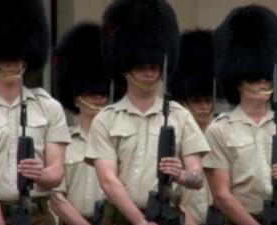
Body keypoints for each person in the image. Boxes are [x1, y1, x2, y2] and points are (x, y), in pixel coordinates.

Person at [84, 0, 211, 225]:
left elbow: (198, 177)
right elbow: (107, 180)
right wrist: (139, 221)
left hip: (166, 215)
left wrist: (181, 175)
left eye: (154, 66)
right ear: (126, 69)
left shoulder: (180, 116)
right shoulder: (107, 119)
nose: (150, 73)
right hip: (119, 218)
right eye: (141, 67)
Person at [202, 5, 277, 225]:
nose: (263, 81)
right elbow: (222, 196)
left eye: (266, 76)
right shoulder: (220, 129)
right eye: (255, 76)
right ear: (239, 78)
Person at [0, 0, 71, 224]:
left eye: (17, 55)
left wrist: (40, 175)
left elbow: (57, 172)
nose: (12, 62)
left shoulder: (49, 107)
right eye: (5, 56)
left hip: (38, 214)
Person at [49, 23, 110, 225]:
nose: (99, 100)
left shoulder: (117, 141)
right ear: (76, 99)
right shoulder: (62, 142)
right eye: (92, 95)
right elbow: (57, 198)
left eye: (103, 95)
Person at [169, 29, 215, 225]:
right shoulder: (176, 132)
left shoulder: (222, 131)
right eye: (197, 101)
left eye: (207, 100)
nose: (204, 107)